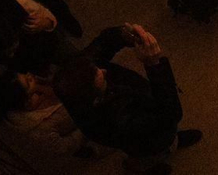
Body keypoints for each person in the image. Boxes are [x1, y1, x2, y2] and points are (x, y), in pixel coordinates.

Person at [54, 24, 202, 174]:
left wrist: (122, 35)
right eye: (101, 76)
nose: (104, 71)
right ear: (96, 99)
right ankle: (147, 166)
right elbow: (171, 114)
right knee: (153, 149)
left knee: (167, 135)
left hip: (148, 127)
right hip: (146, 142)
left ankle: (172, 140)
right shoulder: (120, 119)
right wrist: (154, 65)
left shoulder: (72, 80)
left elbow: (100, 48)